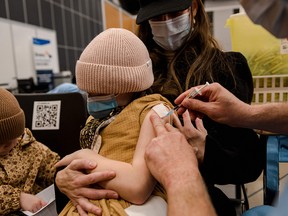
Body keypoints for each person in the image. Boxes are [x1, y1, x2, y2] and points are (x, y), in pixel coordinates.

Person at [56, 0, 265, 215]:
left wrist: (205, 151)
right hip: (112, 189)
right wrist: (65, 177)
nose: (166, 23)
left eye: (174, 13)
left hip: (189, 197)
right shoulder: (125, 64)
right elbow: (99, 140)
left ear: (194, 7)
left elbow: (248, 164)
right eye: (156, 17)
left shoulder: (227, 69)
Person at [55, 28, 205, 216]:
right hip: (96, 199)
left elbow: (138, 187)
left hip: (134, 206)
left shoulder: (154, 111)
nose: (90, 98)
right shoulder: (100, 117)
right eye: (87, 92)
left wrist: (87, 157)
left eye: (97, 92)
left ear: (125, 85)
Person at [0, 88, 60, 215]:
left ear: (18, 134)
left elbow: (53, 168)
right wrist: (18, 199)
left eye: (6, 145)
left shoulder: (31, 148)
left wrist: (63, 176)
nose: (1, 149)